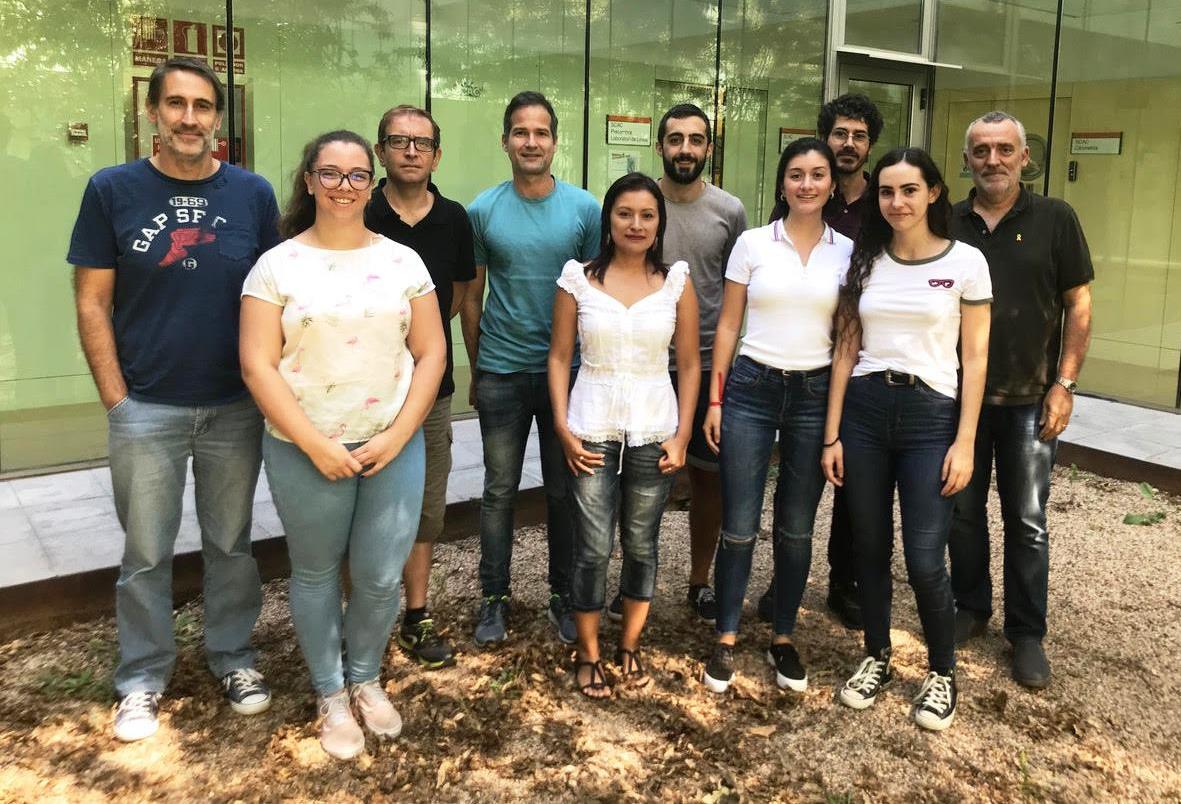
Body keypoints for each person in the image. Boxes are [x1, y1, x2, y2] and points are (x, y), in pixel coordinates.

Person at [68, 56, 279, 743]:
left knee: (231, 544)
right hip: (147, 407)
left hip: (235, 405)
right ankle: (141, 677)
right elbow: (92, 302)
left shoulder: (251, 194)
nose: (190, 118)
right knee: (146, 552)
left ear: (218, 118)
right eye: (176, 104)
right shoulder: (112, 190)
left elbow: (276, 295)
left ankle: (233, 657)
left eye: (203, 106)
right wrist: (117, 400)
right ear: (153, 112)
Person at [239, 130, 446, 760]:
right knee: (317, 572)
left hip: (392, 445)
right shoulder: (276, 266)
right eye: (330, 173)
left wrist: (399, 433)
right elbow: (256, 364)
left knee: (381, 576)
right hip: (304, 447)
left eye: (357, 175)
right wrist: (315, 444)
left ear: (370, 183)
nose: (344, 186)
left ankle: (366, 677)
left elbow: (433, 352)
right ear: (309, 181)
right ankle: (330, 692)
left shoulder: (405, 262)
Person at [822, 148, 991, 731]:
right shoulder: (865, 260)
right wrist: (831, 435)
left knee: (924, 557)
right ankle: (877, 655)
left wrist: (966, 441)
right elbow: (846, 350)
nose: (897, 202)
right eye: (887, 192)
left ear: (934, 193)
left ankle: (942, 672)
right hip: (865, 413)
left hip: (931, 418)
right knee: (868, 547)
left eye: (909, 190)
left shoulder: (966, 262)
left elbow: (975, 358)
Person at [701, 138, 853, 694]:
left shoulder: (849, 252)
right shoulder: (752, 244)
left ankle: (783, 636)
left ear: (831, 185)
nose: (806, 184)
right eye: (796, 174)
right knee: (739, 524)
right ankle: (726, 635)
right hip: (751, 388)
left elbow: (847, 342)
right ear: (782, 184)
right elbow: (727, 326)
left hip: (815, 393)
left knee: (796, 527)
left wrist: (834, 427)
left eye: (817, 175)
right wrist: (715, 400)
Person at [948, 111, 1093, 689]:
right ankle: (970, 606)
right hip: (959, 396)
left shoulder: (1056, 218)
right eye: (981, 150)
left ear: (1024, 157)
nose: (993, 160)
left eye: (1004, 149)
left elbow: (1078, 304)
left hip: (1031, 398)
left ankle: (1027, 632)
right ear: (967, 160)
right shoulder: (946, 220)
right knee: (961, 511)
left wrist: (1066, 383)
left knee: (1027, 518)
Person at [549, 172, 700, 698]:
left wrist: (682, 434)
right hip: (590, 424)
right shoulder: (578, 280)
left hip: (655, 428)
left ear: (659, 223)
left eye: (647, 215)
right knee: (592, 546)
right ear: (608, 219)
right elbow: (559, 357)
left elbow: (689, 363)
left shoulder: (676, 282)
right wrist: (562, 426)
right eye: (625, 213)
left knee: (641, 542)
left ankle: (630, 645)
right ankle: (588, 651)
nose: (636, 224)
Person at [461, 92, 601, 647]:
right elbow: (472, 297)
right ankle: (493, 597)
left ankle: (562, 595)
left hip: (568, 375)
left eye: (541, 132)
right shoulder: (482, 211)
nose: (531, 142)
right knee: (499, 491)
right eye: (520, 132)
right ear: (505, 142)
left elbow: (595, 295)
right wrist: (478, 367)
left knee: (564, 492)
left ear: (555, 142)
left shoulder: (585, 210)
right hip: (501, 371)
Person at [609, 103, 746, 625]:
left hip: (707, 365)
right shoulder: (639, 207)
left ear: (708, 147)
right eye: (675, 139)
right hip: (642, 365)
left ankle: (699, 581)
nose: (685, 149)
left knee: (708, 481)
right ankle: (631, 582)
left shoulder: (729, 211)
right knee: (636, 482)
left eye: (695, 139)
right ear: (660, 146)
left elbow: (735, 292)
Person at [756, 93, 885, 629]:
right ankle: (783, 579)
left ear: (869, 145)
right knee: (800, 480)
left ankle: (843, 580)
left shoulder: (884, 201)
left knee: (850, 475)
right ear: (826, 138)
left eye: (859, 136)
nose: (848, 144)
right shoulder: (803, 198)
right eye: (840, 134)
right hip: (805, 360)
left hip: (865, 359)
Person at [364, 105, 475, 670]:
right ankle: (363, 620)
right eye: (399, 141)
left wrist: (420, 340)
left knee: (426, 507)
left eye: (422, 143)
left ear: (437, 155)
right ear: (380, 151)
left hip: (431, 386)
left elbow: (460, 293)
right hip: (361, 386)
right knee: (361, 503)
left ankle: (416, 614)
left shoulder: (454, 219)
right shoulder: (358, 209)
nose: (411, 151)